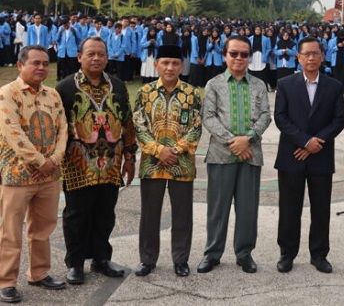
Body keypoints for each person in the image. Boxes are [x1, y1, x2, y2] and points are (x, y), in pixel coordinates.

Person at [56, 36, 137, 285]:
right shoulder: (65, 88)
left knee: (105, 213)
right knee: (76, 215)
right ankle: (76, 263)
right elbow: (58, 128)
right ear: (79, 56)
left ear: (107, 57)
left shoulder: (118, 86)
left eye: (101, 54)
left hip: (111, 164)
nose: (96, 58)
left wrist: (130, 156)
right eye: (90, 54)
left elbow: (127, 123)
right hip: (78, 165)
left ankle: (101, 258)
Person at [198, 36, 271, 274]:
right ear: (225, 55)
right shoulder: (214, 84)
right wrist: (233, 141)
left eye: (244, 54)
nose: (239, 58)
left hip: (251, 153)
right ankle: (212, 253)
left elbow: (265, 116)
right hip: (221, 154)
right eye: (234, 54)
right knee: (218, 207)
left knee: (248, 208)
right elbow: (208, 117)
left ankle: (244, 253)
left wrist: (247, 138)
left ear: (250, 57)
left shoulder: (259, 85)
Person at [0, 46, 67, 304]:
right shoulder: (8, 94)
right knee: (11, 230)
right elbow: (12, 132)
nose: (41, 68)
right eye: (35, 63)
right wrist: (40, 161)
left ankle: (39, 273)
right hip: (17, 175)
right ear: (20, 65)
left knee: (43, 228)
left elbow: (63, 130)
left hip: (49, 176)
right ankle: (6, 281)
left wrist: (54, 160)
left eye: (45, 63)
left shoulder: (53, 94)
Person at [273, 37, 344, 274]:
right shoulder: (285, 84)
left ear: (323, 56)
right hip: (291, 155)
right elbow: (281, 118)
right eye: (307, 54)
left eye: (316, 53)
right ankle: (287, 254)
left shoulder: (334, 86)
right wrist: (305, 141)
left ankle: (319, 254)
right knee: (289, 208)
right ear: (299, 57)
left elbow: (338, 120)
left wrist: (316, 143)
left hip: (321, 156)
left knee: (321, 208)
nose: (311, 58)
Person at [133, 45, 203, 278]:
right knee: (149, 214)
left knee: (182, 215)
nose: (170, 67)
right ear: (156, 65)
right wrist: (157, 150)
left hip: (182, 164)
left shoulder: (192, 94)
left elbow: (196, 127)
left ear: (182, 65)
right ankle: (147, 259)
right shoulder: (145, 92)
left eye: (175, 63)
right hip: (151, 163)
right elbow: (139, 125)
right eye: (165, 63)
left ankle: (180, 260)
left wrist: (175, 150)